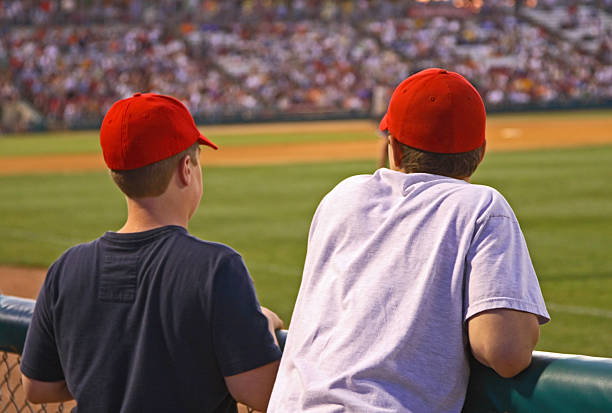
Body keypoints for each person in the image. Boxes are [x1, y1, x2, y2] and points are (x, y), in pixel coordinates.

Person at [268, 68, 550, 413]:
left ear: (395, 149)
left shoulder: (342, 197)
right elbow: (504, 352)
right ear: (481, 151)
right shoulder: (481, 206)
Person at [20, 93, 283, 413]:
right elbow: (261, 393)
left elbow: (38, 386)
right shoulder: (217, 267)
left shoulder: (67, 267)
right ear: (187, 169)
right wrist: (264, 323)